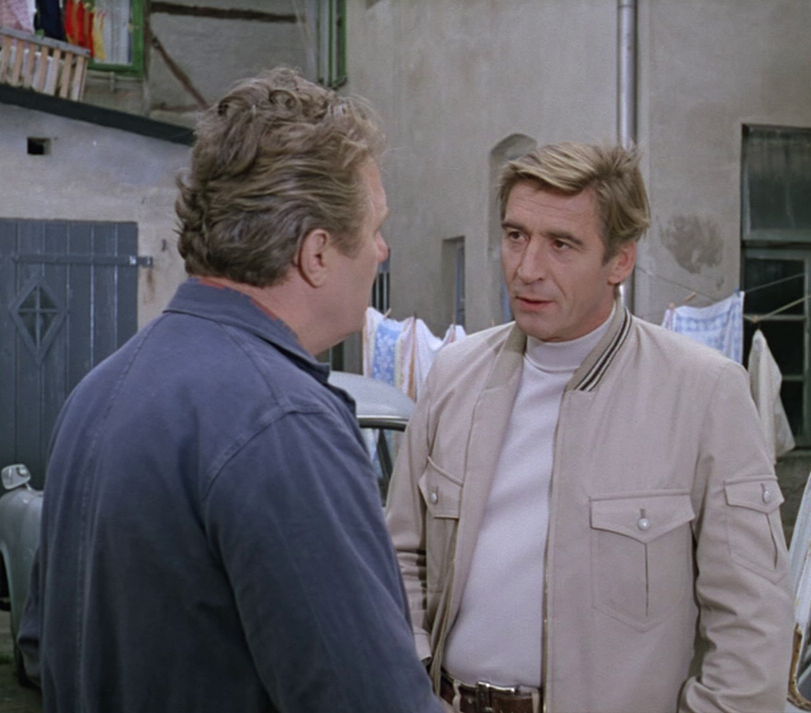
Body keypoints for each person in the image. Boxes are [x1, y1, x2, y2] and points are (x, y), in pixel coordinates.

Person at [18, 67, 443, 713]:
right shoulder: (283, 420)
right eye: (376, 227)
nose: (382, 251)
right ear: (317, 253)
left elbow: (39, 646)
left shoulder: (98, 392)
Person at [385, 141, 794, 713]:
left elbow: (753, 624)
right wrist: (410, 679)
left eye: (561, 244)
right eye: (516, 236)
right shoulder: (455, 376)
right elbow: (399, 558)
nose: (527, 268)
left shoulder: (704, 393)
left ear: (620, 261)